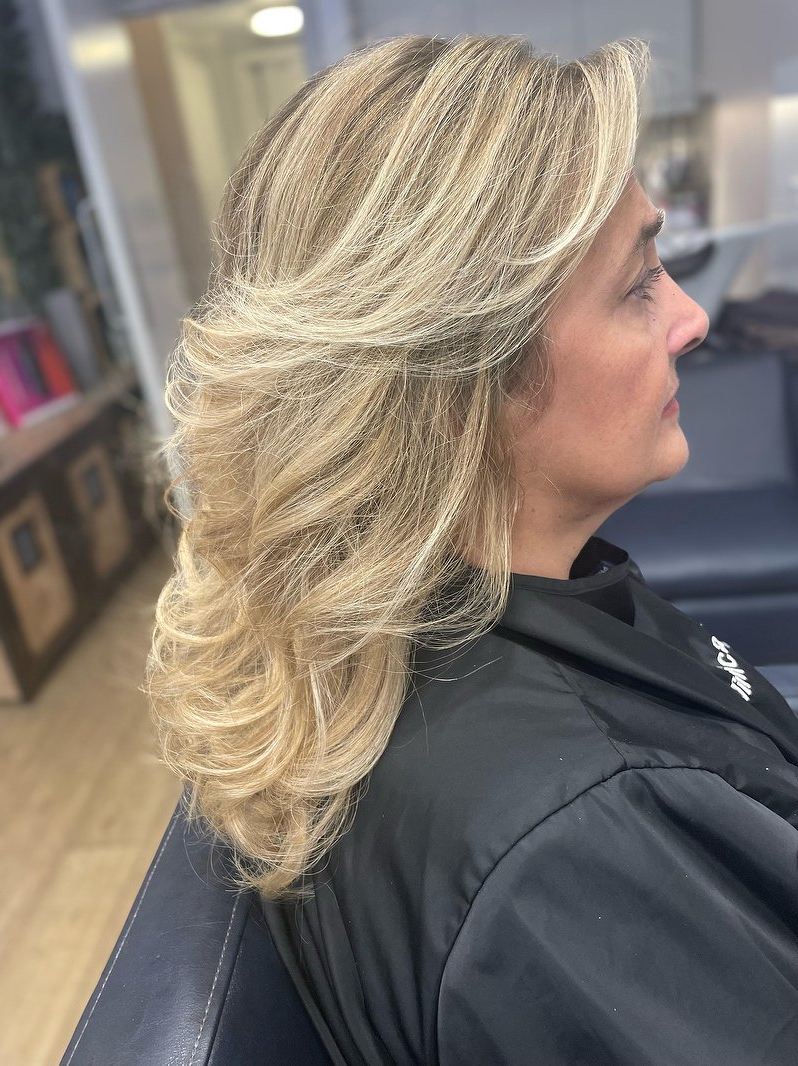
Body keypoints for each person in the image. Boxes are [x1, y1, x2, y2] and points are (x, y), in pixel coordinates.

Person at [145, 33, 798, 1065]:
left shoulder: (441, 628)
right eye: (637, 285)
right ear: (459, 383)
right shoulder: (578, 847)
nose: (688, 319)